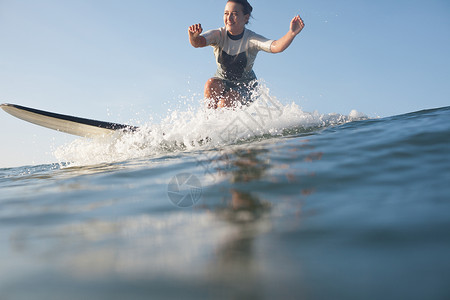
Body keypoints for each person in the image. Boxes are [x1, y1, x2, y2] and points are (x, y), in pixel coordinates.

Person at [188, 0, 304, 109]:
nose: (229, 18)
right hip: (222, 81)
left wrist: (291, 33)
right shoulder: (218, 35)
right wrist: (193, 37)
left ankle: (226, 125)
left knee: (225, 103)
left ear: (246, 17)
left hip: (245, 87)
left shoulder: (251, 39)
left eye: (234, 14)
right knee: (211, 84)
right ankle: (209, 122)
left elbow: (276, 46)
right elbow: (198, 42)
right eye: (226, 13)